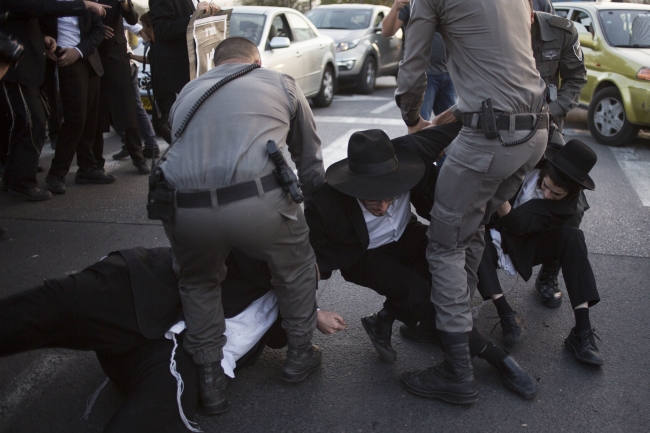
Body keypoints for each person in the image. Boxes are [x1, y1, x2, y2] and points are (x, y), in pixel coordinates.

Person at [0, 247, 347, 432]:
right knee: (54, 305)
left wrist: (310, 313)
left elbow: (285, 333)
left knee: (159, 409)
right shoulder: (258, 243)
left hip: (169, 356)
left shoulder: (286, 313)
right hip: (139, 290)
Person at [304, 127, 538, 401]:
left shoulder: (413, 160)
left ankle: (383, 319)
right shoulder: (324, 204)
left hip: (407, 235)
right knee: (418, 293)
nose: (383, 206)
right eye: (372, 199)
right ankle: (497, 358)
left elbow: (459, 121)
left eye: (391, 196)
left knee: (449, 277)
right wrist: (314, 311)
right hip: (363, 255)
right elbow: (302, 264)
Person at [394, 0, 549, 405]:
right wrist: (448, 117)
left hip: (489, 141)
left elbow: (414, 70)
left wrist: (413, 119)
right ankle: (455, 325)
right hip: (534, 133)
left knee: (445, 245)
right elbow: (501, 72)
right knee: (472, 226)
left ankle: (457, 371)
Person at [160, 37, 325, 414]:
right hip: (261, 202)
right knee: (295, 267)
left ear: (214, 65)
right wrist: (315, 218)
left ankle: (210, 381)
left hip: (186, 208)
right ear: (257, 60)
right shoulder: (280, 83)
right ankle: (299, 353)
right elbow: (309, 159)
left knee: (198, 282)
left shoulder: (188, 93)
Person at [476, 140, 602, 365]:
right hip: (492, 230)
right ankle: (506, 314)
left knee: (574, 238)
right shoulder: (526, 163)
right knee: (475, 239)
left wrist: (496, 191)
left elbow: (518, 224)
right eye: (546, 186)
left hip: (526, 239)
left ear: (572, 191)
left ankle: (582, 332)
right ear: (546, 169)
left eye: (556, 194)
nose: (547, 194)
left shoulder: (567, 207)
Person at [0, 0, 108, 200]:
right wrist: (83, 4)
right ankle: (29, 181)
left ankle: (14, 179)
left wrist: (44, 38)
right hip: (18, 66)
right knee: (35, 122)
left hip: (30, 64)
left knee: (28, 123)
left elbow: (33, 18)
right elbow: (41, 8)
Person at [41, 4, 106, 195]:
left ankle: (87, 168)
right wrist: (45, 43)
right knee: (75, 119)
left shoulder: (87, 3)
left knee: (90, 119)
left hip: (87, 58)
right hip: (65, 60)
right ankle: (56, 173)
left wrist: (78, 51)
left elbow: (98, 30)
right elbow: (36, 22)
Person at [92, 0, 149, 178]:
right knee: (96, 111)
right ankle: (96, 163)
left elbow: (132, 19)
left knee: (127, 108)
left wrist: (125, 4)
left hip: (117, 56)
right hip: (92, 52)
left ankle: (138, 157)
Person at [148, 0, 220, 134]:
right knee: (181, 130)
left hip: (197, 74)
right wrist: (194, 17)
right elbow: (162, 29)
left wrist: (210, 14)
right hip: (175, 78)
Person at [381, 0, 456, 121]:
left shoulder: (450, 3)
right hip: (423, 76)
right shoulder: (412, 3)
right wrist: (396, 7)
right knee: (419, 126)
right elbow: (387, 31)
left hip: (450, 73)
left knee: (451, 127)